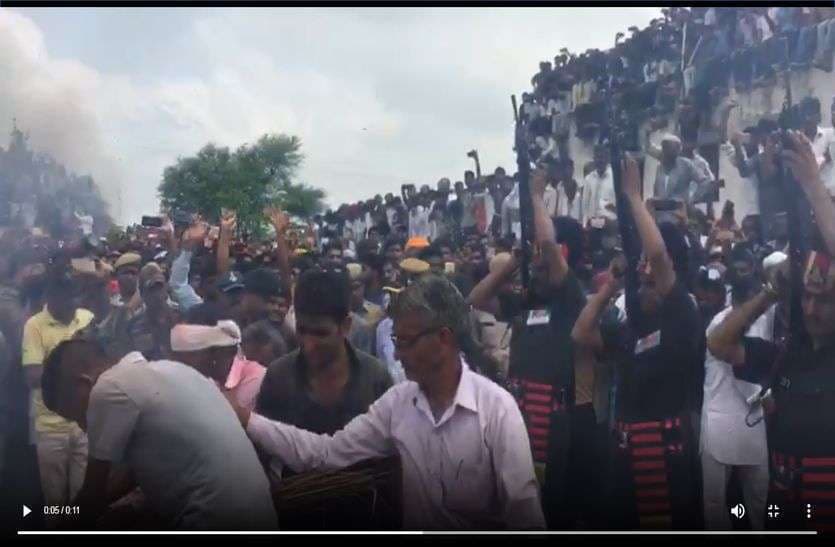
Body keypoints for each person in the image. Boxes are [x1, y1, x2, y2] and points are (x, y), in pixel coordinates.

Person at [231, 274, 546, 530]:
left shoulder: (496, 410)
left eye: (405, 342)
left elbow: (524, 515)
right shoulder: (397, 403)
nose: (396, 354)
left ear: (444, 339)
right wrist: (247, 420)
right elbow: (325, 453)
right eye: (396, 341)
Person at [707, 130, 835, 530]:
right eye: (807, 298)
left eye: (824, 300)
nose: (812, 308)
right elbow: (719, 343)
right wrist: (770, 291)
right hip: (786, 511)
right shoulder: (784, 355)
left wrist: (813, 187)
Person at [572, 157, 703, 530]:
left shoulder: (683, 313)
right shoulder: (633, 329)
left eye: (650, 277)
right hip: (628, 452)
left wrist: (633, 197)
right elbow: (581, 334)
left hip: (666, 453)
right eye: (640, 277)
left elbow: (659, 258)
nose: (645, 278)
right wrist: (611, 286)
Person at [40, 337, 277, 530]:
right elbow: (124, 479)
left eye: (75, 415)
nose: (82, 427)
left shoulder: (107, 389)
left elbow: (91, 499)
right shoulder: (171, 370)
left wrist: (51, 516)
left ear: (83, 384)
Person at [469, 168, 590, 529]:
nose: (538, 257)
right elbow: (476, 300)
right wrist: (513, 264)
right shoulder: (529, 300)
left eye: (540, 251)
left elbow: (550, 249)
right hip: (518, 407)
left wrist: (537, 197)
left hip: (550, 416)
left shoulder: (570, 295)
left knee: (545, 502)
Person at [255, 267, 392, 448]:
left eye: (321, 334)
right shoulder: (279, 376)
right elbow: (265, 446)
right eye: (302, 331)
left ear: (346, 326)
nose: (309, 344)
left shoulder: (376, 378)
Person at [22, 267, 93, 513]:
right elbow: (32, 376)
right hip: (51, 428)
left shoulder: (87, 318)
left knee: (83, 500)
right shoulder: (34, 325)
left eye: (74, 295)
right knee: (55, 504)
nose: (71, 302)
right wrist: (77, 376)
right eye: (64, 295)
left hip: (84, 425)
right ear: (50, 297)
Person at [123, 262, 179, 361]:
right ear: (143, 293)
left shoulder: (179, 318)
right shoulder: (134, 326)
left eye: (160, 287)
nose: (157, 294)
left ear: (166, 288)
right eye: (152, 289)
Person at [650, 134, 712, 204]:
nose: (668, 151)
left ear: (678, 150)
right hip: (660, 209)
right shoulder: (660, 167)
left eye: (672, 149)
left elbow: (704, 181)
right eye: (665, 148)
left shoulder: (686, 164)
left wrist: (693, 199)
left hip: (680, 209)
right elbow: (656, 190)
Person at [582, 144, 616, 224]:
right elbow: (585, 207)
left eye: (602, 157)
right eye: (597, 157)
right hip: (593, 225)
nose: (599, 160)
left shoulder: (615, 178)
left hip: (610, 225)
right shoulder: (589, 179)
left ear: (607, 158)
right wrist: (584, 225)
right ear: (594, 159)